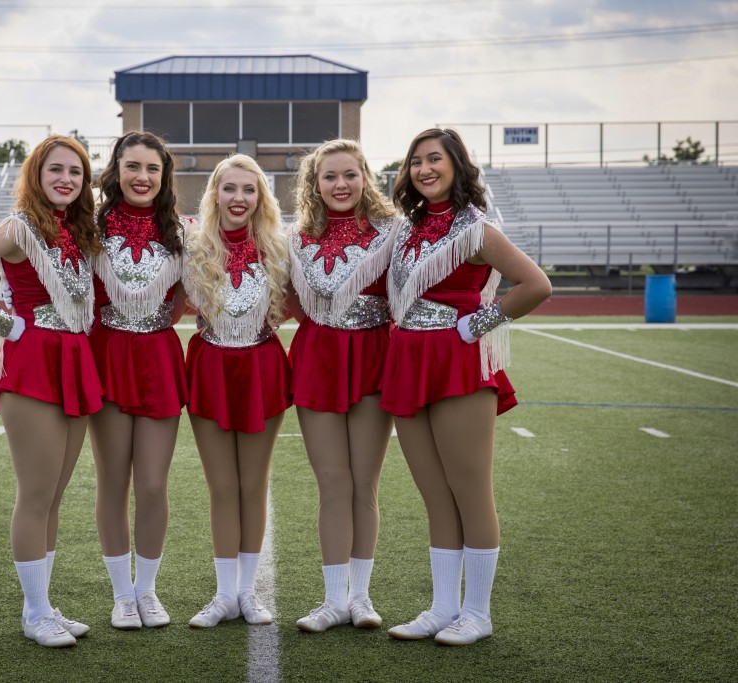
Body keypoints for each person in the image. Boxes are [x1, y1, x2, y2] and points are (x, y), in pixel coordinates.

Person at [382, 128, 552, 646]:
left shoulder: (477, 230)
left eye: (435, 159)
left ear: (458, 165)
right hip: (408, 360)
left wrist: (471, 327)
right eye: (416, 161)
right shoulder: (407, 228)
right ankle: (442, 608)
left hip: (457, 363)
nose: (424, 168)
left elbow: (536, 285)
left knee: (470, 493)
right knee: (435, 495)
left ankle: (477, 614)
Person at [0, 135, 103, 648]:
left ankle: (45, 605)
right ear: (36, 174)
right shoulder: (17, 227)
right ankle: (33, 613)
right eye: (55, 170)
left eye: (75, 172)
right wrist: (6, 326)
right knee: (34, 494)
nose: (66, 179)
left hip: (74, 359)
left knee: (53, 496)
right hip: (32, 363)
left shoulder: (77, 230)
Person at [288, 139, 400, 633]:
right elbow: (286, 297)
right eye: (329, 176)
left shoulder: (393, 232)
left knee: (364, 483)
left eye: (349, 175)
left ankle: (360, 598)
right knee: (332, 483)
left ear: (365, 177)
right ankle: (333, 600)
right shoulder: (295, 237)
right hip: (318, 360)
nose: (340, 185)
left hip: (374, 359)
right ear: (314, 184)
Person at [181, 155, 291, 628]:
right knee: (222, 486)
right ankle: (225, 595)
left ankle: (247, 592)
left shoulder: (280, 247)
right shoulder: (192, 245)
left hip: (262, 365)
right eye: (230, 189)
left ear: (261, 197)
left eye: (249, 189)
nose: (239, 198)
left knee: (253, 484)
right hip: (209, 365)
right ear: (215, 194)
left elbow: (300, 304)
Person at [89, 131, 188, 630]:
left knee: (152, 483)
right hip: (106, 356)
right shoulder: (90, 228)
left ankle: (147, 591)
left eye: (152, 168)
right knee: (113, 480)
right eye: (132, 166)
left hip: (158, 359)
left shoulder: (182, 232)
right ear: (116, 170)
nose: (142, 177)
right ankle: (122, 595)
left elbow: (197, 292)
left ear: (164, 176)